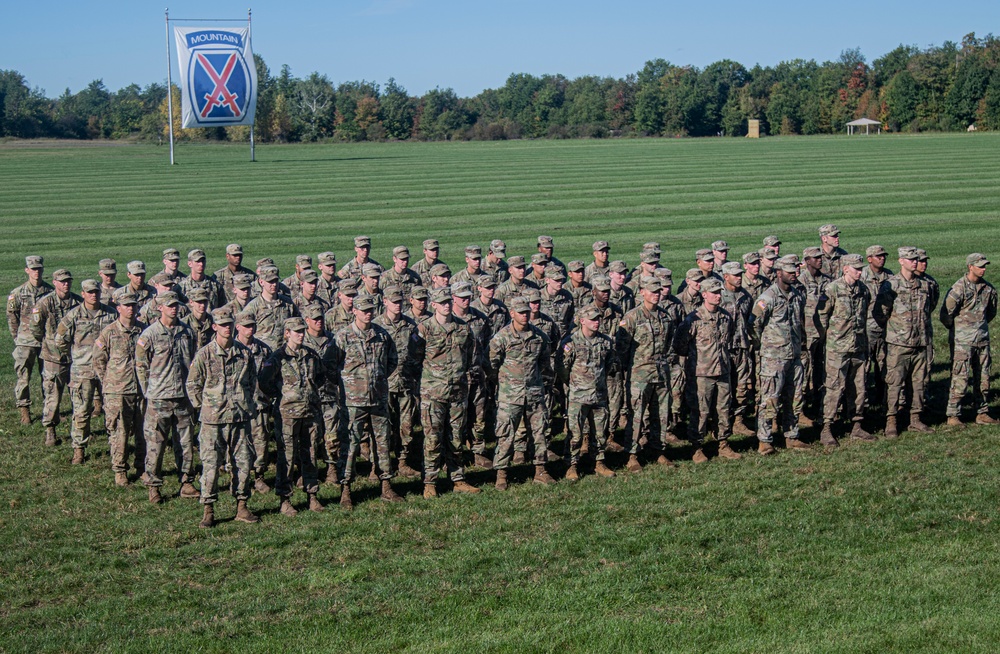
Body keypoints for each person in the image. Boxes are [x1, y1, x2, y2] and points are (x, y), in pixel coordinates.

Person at [186, 308, 260, 527]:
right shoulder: (204, 354)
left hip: (239, 418)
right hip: (213, 420)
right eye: (223, 324)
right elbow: (192, 385)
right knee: (210, 466)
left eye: (230, 324)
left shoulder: (244, 354)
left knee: (244, 464)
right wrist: (205, 407)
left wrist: (244, 403)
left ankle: (242, 506)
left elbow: (252, 381)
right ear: (215, 327)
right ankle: (208, 509)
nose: (227, 328)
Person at [332, 295, 403, 508]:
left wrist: (378, 380)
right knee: (351, 444)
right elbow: (330, 366)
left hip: (378, 398)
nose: (368, 313)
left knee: (383, 443)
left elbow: (392, 361)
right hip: (353, 401)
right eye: (363, 310)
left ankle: (386, 485)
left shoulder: (382, 335)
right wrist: (349, 384)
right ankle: (346, 489)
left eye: (370, 310)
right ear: (354, 311)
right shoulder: (343, 336)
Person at [416, 287, 480, 498]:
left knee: (456, 438)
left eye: (448, 302)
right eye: (441, 302)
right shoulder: (424, 329)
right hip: (433, 394)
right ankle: (430, 482)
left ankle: (458, 478)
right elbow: (414, 360)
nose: (446, 305)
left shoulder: (463, 328)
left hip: (457, 392)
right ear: (433, 305)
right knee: (433, 439)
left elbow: (471, 356)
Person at [258, 318, 325, 516]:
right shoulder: (278, 357)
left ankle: (312, 494)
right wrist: (282, 396)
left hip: (309, 412)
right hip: (287, 414)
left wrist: (310, 395)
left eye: (302, 330)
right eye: (296, 331)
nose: (301, 334)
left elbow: (320, 376)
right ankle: (285, 499)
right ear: (287, 333)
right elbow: (264, 382)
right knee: (286, 456)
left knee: (311, 453)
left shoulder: (311, 355)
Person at [136, 291, 197, 504]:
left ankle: (187, 481)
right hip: (159, 397)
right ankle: (153, 485)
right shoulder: (150, 334)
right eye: (169, 305)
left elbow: (193, 362)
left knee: (185, 442)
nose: (174, 308)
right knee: (156, 443)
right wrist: (149, 392)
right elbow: (141, 366)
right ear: (160, 307)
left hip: (182, 396)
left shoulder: (187, 332)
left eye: (176, 305)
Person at [489, 296, 556, 489]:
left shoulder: (539, 336)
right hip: (511, 395)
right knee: (505, 434)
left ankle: (541, 470)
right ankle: (501, 473)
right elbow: (491, 365)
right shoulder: (502, 337)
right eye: (521, 312)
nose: (525, 315)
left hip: (534, 393)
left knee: (540, 432)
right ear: (512, 314)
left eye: (527, 312)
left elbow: (544, 364)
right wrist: (504, 383)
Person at [673, 277, 740, 462]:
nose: (718, 296)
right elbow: (680, 345)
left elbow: (729, 338)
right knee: (700, 411)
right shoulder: (693, 319)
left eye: (719, 293)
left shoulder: (725, 317)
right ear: (704, 295)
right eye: (714, 293)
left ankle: (723, 443)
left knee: (724, 409)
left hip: (723, 371)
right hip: (702, 374)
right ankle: (697, 446)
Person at [616, 278, 677, 471]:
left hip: (661, 373)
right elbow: (621, 348)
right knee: (636, 415)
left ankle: (658, 449)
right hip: (639, 374)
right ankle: (632, 454)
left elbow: (669, 345)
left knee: (661, 414)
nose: (656, 294)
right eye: (652, 291)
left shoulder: (665, 317)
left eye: (659, 291)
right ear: (642, 292)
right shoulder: (632, 317)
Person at [872, 247, 934, 437]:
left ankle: (915, 418)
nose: (914, 262)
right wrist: (896, 330)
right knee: (894, 383)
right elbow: (879, 313)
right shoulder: (891, 285)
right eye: (910, 259)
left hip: (920, 342)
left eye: (916, 259)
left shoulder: (925, 285)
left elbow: (929, 308)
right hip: (899, 344)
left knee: (919, 383)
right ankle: (891, 420)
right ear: (901, 261)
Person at [752, 255, 808, 454]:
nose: (794, 275)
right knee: (770, 400)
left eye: (795, 271)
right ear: (778, 273)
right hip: (773, 358)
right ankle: (765, 440)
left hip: (793, 355)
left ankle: (791, 435)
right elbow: (754, 323)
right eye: (789, 272)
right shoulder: (767, 297)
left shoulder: (797, 295)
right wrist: (764, 347)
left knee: (794, 397)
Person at [55, 280, 115, 464]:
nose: (93, 295)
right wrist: (77, 356)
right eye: (89, 292)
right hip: (83, 371)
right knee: (81, 412)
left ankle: (116, 448)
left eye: (96, 291)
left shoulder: (110, 314)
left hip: (107, 371)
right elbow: (60, 340)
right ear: (83, 293)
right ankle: (79, 449)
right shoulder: (73, 316)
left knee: (112, 412)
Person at [557, 304, 617, 480]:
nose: (596, 322)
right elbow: (562, 368)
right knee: (575, 433)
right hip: (578, 395)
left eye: (598, 319)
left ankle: (598, 462)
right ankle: (571, 465)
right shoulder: (570, 342)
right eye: (592, 319)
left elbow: (608, 365)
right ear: (582, 321)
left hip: (599, 395)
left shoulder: (605, 341)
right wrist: (574, 383)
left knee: (599, 432)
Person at [93, 290, 146, 486]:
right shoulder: (109, 332)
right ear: (118, 308)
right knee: (119, 431)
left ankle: (141, 466)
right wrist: (109, 381)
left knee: (143, 431)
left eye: (133, 305)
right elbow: (98, 360)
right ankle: (120, 469)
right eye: (126, 305)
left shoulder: (143, 331)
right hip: (118, 390)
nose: (130, 308)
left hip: (141, 389)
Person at [819, 254, 872, 446]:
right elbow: (822, 317)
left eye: (861, 268)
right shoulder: (832, 288)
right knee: (834, 387)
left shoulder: (863, 289)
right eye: (856, 268)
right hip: (837, 347)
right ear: (845, 269)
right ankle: (827, 427)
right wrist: (830, 339)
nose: (860, 271)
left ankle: (856, 425)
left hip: (858, 346)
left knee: (859, 387)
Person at [941, 253, 998, 426]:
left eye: (984, 266)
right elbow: (946, 314)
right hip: (962, 343)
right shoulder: (958, 288)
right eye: (980, 266)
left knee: (984, 378)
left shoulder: (989, 289)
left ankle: (982, 411)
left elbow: (991, 313)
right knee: (960, 378)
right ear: (970, 267)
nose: (984, 269)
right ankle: (953, 414)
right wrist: (959, 331)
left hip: (982, 340)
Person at [374, 286, 422, 477]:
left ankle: (402, 461)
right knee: (383, 427)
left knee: (407, 426)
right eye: (394, 302)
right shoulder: (377, 326)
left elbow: (418, 352)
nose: (397, 306)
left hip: (406, 383)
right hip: (384, 385)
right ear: (385, 302)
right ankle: (380, 464)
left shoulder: (411, 325)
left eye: (400, 302)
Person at [30, 269, 80, 446]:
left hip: (75, 357)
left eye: (68, 281)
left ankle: (79, 430)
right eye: (62, 281)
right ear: (55, 282)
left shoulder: (77, 302)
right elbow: (36, 329)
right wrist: (48, 345)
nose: (66, 284)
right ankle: (50, 430)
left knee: (78, 396)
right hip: (53, 358)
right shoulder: (44, 303)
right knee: (53, 396)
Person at [451, 281, 493, 469]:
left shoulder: (480, 319)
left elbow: (487, 346)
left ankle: (478, 451)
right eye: (462, 298)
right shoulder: (446, 319)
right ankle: (454, 454)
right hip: (455, 378)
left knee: (479, 415)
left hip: (476, 375)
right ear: (453, 298)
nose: (466, 300)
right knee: (455, 419)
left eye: (468, 297)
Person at [303, 304, 345, 483]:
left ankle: (332, 468)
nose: (319, 322)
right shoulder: (301, 341)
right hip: (308, 396)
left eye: (321, 319)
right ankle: (309, 471)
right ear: (307, 321)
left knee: (332, 434)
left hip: (329, 394)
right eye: (315, 319)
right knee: (310, 437)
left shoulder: (333, 340)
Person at [8, 255, 52, 424]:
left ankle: (48, 409)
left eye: (39, 269)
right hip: (25, 341)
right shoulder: (18, 293)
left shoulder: (49, 292)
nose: (36, 272)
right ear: (27, 270)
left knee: (47, 377)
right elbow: (12, 317)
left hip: (45, 341)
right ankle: (24, 409)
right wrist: (17, 338)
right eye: (33, 269)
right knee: (23, 377)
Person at [234, 311, 274, 494]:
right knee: (237, 443)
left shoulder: (264, 350)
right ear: (238, 327)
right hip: (236, 405)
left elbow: (273, 375)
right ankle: (238, 476)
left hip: (259, 403)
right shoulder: (232, 349)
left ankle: (259, 476)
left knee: (261, 441)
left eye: (252, 325)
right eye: (246, 326)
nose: (250, 329)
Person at [720, 262, 755, 437]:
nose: (739, 277)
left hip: (741, 347)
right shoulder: (718, 296)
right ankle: (721, 422)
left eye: (740, 274)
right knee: (725, 388)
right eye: (735, 275)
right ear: (726, 277)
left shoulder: (745, 296)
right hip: (724, 349)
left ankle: (739, 420)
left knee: (742, 386)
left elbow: (750, 321)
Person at [797, 247, 831, 424]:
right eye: (815, 258)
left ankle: (819, 405)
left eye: (820, 257)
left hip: (824, 334)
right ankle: (801, 410)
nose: (819, 260)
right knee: (804, 373)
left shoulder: (827, 281)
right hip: (807, 335)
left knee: (821, 371)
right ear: (807, 260)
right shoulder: (800, 282)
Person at [860, 245, 893, 409]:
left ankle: (883, 398)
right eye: (878, 256)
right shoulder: (862, 276)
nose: (882, 258)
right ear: (869, 258)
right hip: (866, 328)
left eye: (883, 255)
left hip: (886, 329)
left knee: (884, 365)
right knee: (864, 367)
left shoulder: (890, 276)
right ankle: (863, 401)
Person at [242, 266, 298, 350]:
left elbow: (297, 324)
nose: (274, 284)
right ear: (261, 282)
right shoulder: (252, 307)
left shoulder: (288, 303)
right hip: (263, 353)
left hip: (285, 353)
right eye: (270, 281)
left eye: (276, 281)